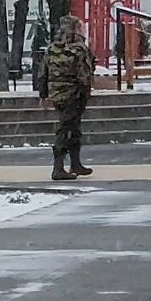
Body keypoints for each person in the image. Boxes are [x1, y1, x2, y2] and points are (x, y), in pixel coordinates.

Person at [38, 15, 95, 181]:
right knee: (67, 129)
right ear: (75, 29)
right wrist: (85, 93)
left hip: (57, 95)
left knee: (71, 128)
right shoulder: (79, 49)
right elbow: (84, 75)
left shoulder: (51, 48)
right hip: (74, 95)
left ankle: (75, 164)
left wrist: (44, 95)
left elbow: (42, 73)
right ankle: (59, 168)